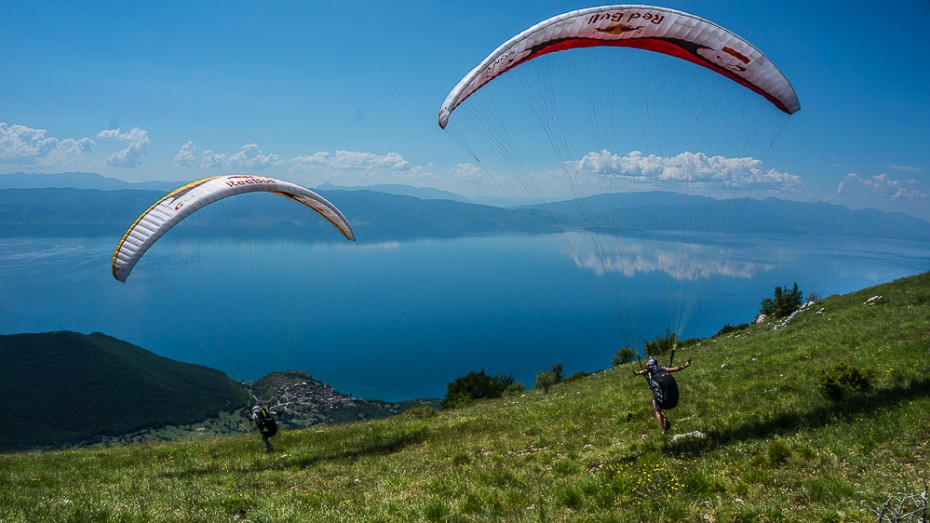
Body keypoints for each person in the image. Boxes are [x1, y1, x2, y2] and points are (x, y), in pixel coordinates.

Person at [633, 356, 691, 435]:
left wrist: (637, 373)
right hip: (674, 400)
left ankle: (663, 431)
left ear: (648, 363)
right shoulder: (662, 368)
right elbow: (674, 369)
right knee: (660, 408)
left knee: (657, 410)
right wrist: (685, 365)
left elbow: (642, 372)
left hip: (663, 398)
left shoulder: (648, 370)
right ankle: (666, 424)